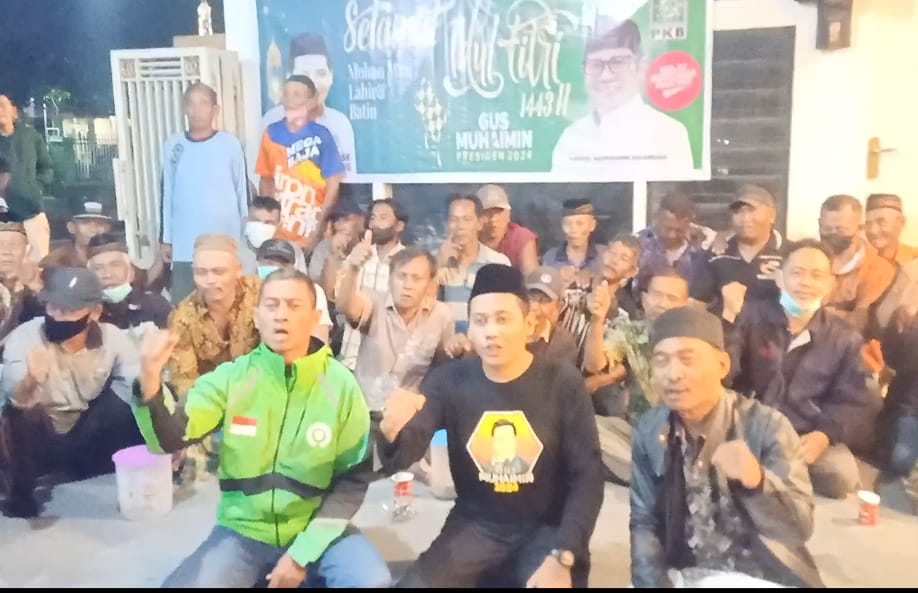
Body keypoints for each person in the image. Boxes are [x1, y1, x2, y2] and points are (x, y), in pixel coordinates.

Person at [132, 268, 390, 588]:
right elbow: (168, 439)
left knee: (372, 581)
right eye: (271, 305)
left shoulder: (341, 386)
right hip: (243, 531)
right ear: (257, 317)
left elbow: (354, 479)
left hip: (316, 530)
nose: (281, 315)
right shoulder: (232, 379)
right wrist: (149, 381)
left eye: (294, 306)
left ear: (314, 318)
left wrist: (301, 555)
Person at [379, 264, 604, 587]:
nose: (491, 332)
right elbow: (407, 446)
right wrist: (392, 431)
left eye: (502, 319)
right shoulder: (449, 381)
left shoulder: (562, 382)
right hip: (477, 525)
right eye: (480, 321)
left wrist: (565, 552)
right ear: (469, 329)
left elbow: (587, 476)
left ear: (528, 324)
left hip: (547, 529)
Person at [630, 307, 822, 588]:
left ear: (722, 365)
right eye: (661, 361)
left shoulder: (766, 426)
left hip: (762, 576)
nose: (673, 373)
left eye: (687, 359)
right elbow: (644, 522)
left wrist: (757, 483)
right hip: (687, 573)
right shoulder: (650, 429)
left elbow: (798, 529)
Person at [723, 240, 881, 498]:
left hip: (804, 432)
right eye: (797, 273)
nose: (806, 283)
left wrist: (824, 435)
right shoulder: (750, 317)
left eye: (817, 276)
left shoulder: (845, 338)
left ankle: (771, 469)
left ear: (830, 284)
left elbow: (854, 400)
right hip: (750, 424)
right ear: (779, 278)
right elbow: (725, 372)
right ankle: (770, 469)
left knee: (842, 477)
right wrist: (728, 321)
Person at [0, 268, 143, 518]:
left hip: (84, 427)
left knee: (130, 403)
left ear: (95, 312)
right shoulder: (25, 338)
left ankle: (104, 472)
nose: (57, 316)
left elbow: (137, 388)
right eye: (52, 307)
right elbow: (17, 401)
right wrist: (32, 380)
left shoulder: (113, 339)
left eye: (68, 310)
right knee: (23, 414)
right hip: (39, 432)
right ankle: (20, 493)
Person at [167, 234, 260, 482]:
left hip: (263, 395)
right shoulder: (182, 316)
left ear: (237, 270)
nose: (210, 280)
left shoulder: (262, 296)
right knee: (187, 465)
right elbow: (185, 381)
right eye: (202, 272)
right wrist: (191, 429)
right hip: (213, 403)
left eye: (219, 271)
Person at [551, 20, 693, 179]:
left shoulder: (669, 133)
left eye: (617, 63)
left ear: (641, 66)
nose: (605, 76)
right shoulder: (571, 138)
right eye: (596, 65)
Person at [338, 243, 453, 415]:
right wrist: (353, 269)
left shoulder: (442, 316)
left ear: (430, 283)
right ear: (389, 278)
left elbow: (444, 365)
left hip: (410, 415)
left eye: (416, 278)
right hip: (364, 410)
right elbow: (346, 307)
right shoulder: (374, 304)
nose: (407, 285)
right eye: (401, 276)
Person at [161, 82, 249, 303]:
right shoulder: (173, 145)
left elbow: (242, 193)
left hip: (225, 241)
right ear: (184, 108)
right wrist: (166, 239)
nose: (196, 110)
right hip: (185, 245)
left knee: (228, 304)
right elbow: (167, 192)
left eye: (203, 103)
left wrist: (244, 238)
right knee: (185, 306)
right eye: (191, 104)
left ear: (215, 110)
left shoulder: (230, 145)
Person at [256, 75, 345, 250]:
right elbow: (266, 180)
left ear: (311, 102)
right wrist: (268, 223)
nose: (290, 100)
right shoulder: (271, 133)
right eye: (286, 94)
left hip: (312, 228)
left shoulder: (322, 135)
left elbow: (333, 186)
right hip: (280, 232)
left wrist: (319, 227)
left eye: (296, 94)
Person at [262, 33, 357, 174]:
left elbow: (346, 178)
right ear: (289, 76)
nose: (313, 83)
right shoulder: (271, 122)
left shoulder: (340, 125)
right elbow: (264, 177)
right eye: (304, 74)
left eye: (321, 73)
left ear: (331, 76)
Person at [691, 185, 785, 315]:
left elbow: (802, 305)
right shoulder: (715, 255)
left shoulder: (790, 254)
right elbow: (697, 305)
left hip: (778, 327)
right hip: (725, 327)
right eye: (738, 212)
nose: (745, 218)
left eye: (751, 210)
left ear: (772, 215)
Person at [335, 198, 407, 369]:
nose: (374, 223)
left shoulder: (407, 262)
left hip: (386, 365)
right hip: (350, 359)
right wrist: (351, 264)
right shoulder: (357, 255)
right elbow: (340, 303)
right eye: (373, 217)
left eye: (383, 217)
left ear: (399, 226)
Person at [41, 201, 167, 292]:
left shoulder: (115, 256)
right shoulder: (55, 261)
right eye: (86, 223)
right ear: (71, 227)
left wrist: (161, 256)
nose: (93, 229)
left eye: (99, 224)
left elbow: (143, 281)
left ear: (107, 228)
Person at [819, 194, 896, 333]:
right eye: (826, 228)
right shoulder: (807, 258)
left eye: (840, 229)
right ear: (819, 224)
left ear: (860, 227)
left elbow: (859, 323)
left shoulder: (878, 269)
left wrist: (812, 313)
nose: (832, 234)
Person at [437, 194, 510, 333]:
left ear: (479, 223)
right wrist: (439, 264)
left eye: (467, 219)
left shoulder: (498, 262)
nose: (460, 226)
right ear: (446, 224)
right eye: (454, 220)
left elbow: (505, 310)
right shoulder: (434, 262)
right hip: (446, 341)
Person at [86, 234, 171, 343]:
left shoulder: (154, 306)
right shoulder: (83, 315)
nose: (107, 274)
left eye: (115, 265)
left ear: (131, 273)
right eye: (98, 268)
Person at [0, 95, 53, 258]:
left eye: (2, 105)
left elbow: (46, 167)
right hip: (2, 215)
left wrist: (36, 188)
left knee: (38, 259)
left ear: (13, 110)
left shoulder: (30, 136)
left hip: (31, 210)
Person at [256, 238, 333, 344]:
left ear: (293, 267)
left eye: (283, 264)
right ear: (258, 263)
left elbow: (320, 340)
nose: (276, 267)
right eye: (270, 262)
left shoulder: (312, 290)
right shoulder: (247, 291)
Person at [635, 193, 709, 291]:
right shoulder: (638, 244)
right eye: (667, 229)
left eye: (679, 230)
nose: (672, 235)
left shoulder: (702, 245)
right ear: (657, 218)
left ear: (689, 223)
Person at [477, 184, 538, 274]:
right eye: (487, 213)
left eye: (499, 212)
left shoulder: (520, 237)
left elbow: (530, 276)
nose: (493, 219)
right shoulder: (469, 237)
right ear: (477, 216)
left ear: (508, 214)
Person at [0, 212, 43, 340]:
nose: (6, 252)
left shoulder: (42, 285)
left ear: (27, 249)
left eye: (13, 245)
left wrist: (34, 289)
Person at [524, 266, 577, 367]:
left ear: (559, 306)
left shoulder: (563, 343)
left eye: (544, 300)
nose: (535, 307)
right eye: (531, 297)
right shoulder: (510, 330)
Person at [542, 199, 604, 281]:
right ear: (562, 225)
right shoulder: (551, 258)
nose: (573, 230)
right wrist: (557, 278)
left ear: (592, 225)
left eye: (580, 224)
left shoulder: (604, 255)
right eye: (567, 224)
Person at [865, 193, 918, 266]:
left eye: (881, 223)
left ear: (901, 222)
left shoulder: (915, 259)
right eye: (868, 224)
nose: (873, 230)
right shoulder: (858, 262)